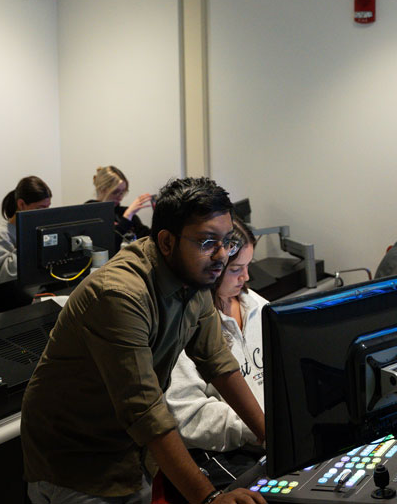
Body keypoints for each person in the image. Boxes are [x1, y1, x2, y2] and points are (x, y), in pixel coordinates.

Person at [22, 177, 266, 504]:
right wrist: (209, 499)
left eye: (227, 242)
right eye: (208, 242)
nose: (221, 256)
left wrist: (271, 438)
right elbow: (145, 410)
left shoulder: (193, 276)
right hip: (76, 465)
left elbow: (219, 364)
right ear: (166, 242)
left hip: (130, 454)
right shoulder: (120, 295)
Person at [166, 218, 268, 452]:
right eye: (235, 269)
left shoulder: (259, 306)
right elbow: (189, 414)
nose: (246, 277)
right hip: (232, 454)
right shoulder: (185, 326)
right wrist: (255, 427)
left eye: (248, 266)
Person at [0, 176, 51, 312]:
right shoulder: (1, 234)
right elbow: (3, 276)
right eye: (40, 208)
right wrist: (29, 240)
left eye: (47, 207)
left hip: (38, 297)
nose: (45, 213)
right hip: (10, 305)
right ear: (21, 205)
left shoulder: (40, 230)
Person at [90, 165, 154, 251]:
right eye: (115, 192)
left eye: (122, 192)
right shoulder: (90, 212)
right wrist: (128, 216)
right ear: (102, 189)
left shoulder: (123, 212)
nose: (120, 197)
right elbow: (106, 246)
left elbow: (147, 239)